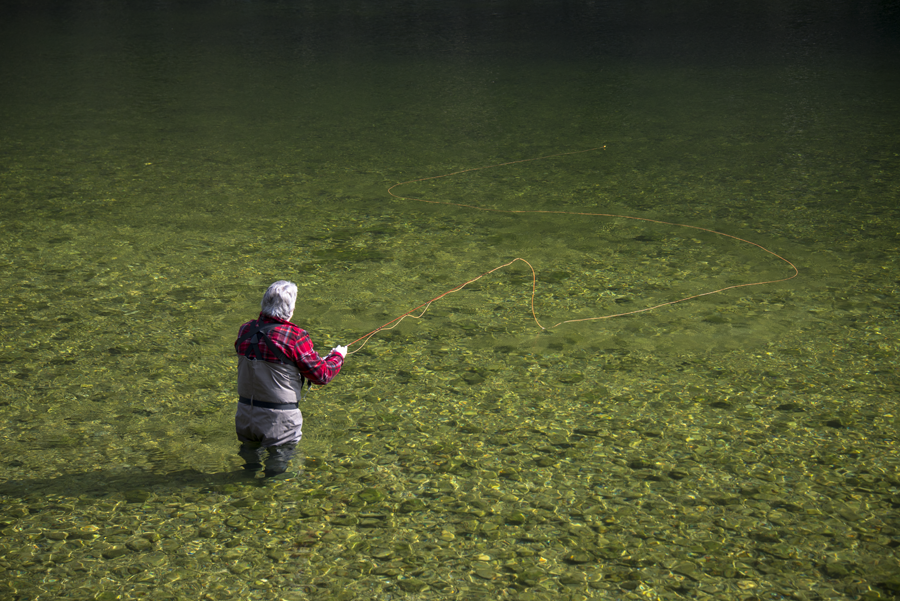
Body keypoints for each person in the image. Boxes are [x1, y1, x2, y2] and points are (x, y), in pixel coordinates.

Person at [234, 280, 346, 478]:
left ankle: (244, 491)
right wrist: (338, 356)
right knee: (275, 475)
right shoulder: (294, 336)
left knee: (249, 465)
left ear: (264, 303)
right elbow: (322, 375)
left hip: (245, 416)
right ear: (290, 308)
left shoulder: (245, 330)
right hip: (279, 422)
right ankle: (269, 498)